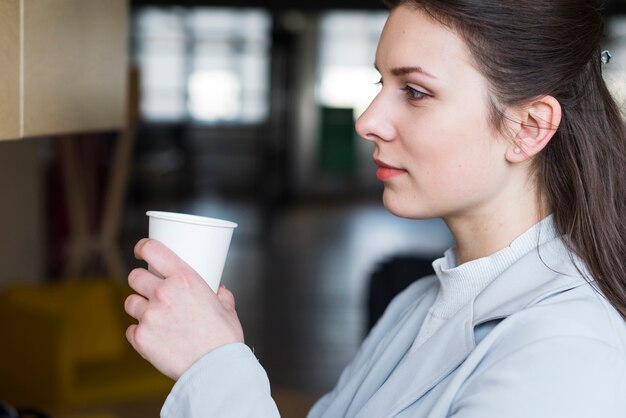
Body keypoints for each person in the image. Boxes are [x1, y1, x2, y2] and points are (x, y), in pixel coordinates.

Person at [124, 0, 626, 416]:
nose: (368, 121)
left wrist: (212, 366)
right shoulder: (415, 304)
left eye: (415, 91)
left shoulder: (570, 352)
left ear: (530, 127)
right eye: (380, 84)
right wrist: (219, 349)